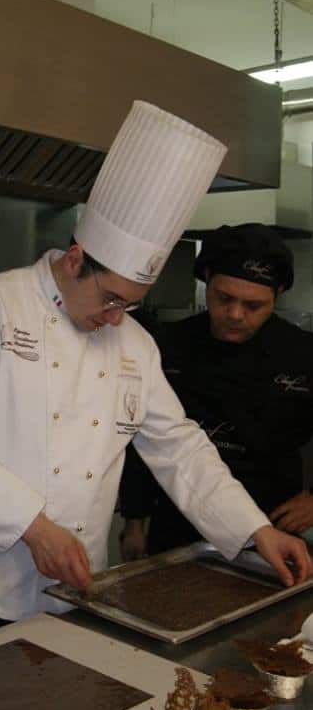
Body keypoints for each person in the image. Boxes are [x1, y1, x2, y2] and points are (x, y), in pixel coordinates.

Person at [0, 101, 311, 652]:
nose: (116, 318)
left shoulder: (134, 344)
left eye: (130, 304)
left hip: (73, 591)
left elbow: (179, 448)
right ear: (76, 259)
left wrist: (254, 529)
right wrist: (35, 528)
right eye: (110, 299)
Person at [119, 223, 313, 561]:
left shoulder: (303, 353)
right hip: (177, 521)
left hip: (273, 524)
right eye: (224, 298)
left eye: (253, 305)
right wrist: (134, 522)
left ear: (278, 293)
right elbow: (142, 438)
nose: (235, 315)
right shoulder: (166, 346)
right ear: (207, 278)